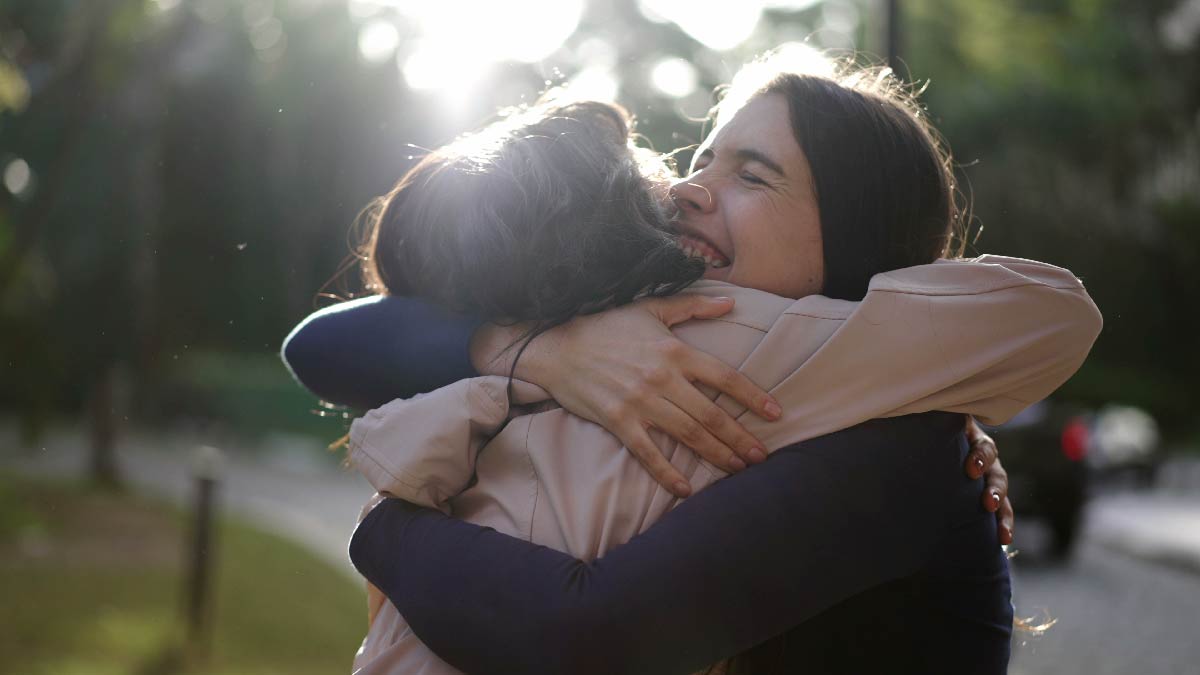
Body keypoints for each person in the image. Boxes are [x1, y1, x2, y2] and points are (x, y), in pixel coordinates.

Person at [286, 51, 1102, 674]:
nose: (689, 191)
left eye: (753, 174)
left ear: (857, 236)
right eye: (703, 158)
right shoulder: (651, 337)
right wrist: (544, 353)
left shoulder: (898, 449)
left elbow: (589, 635)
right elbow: (323, 347)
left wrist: (385, 531)